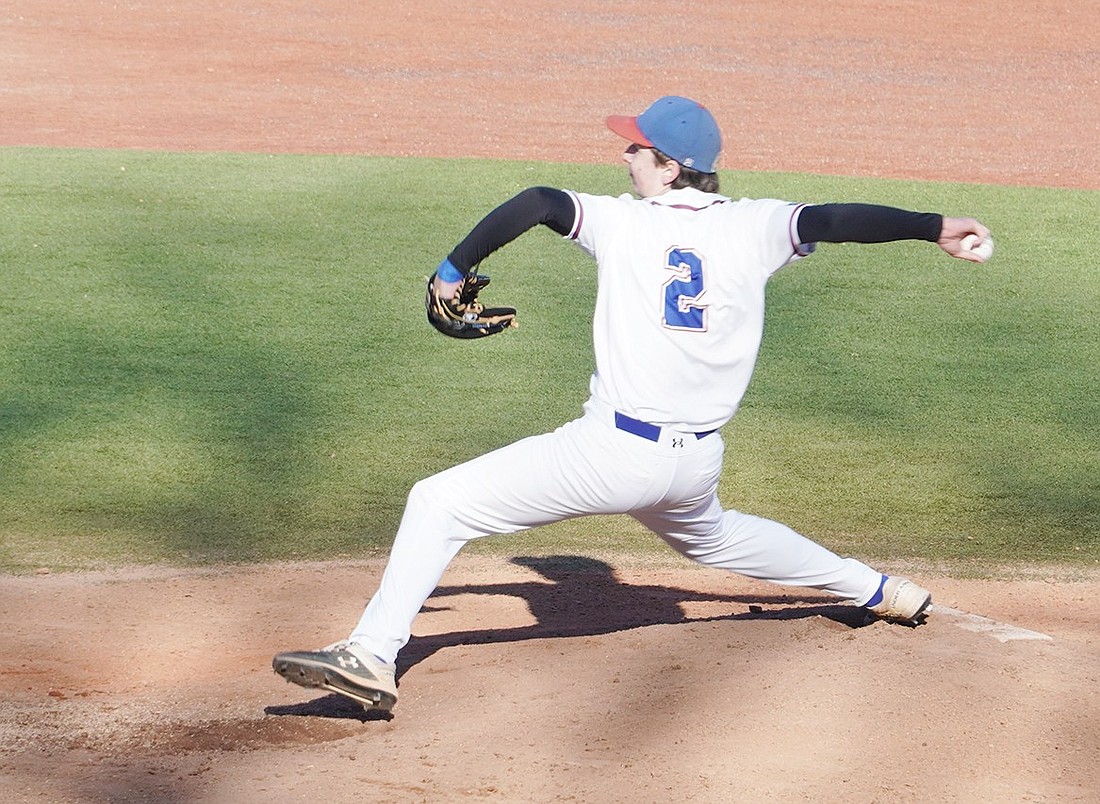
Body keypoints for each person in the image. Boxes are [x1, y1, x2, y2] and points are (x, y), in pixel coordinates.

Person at [273, 96, 992, 712]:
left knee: (438, 503)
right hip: (694, 463)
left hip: (613, 454)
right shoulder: (757, 224)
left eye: (637, 147)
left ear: (671, 167)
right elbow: (835, 219)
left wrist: (453, 268)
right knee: (716, 538)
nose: (625, 156)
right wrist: (934, 227)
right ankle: (879, 590)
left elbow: (539, 203)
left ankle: (371, 653)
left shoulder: (623, 222)